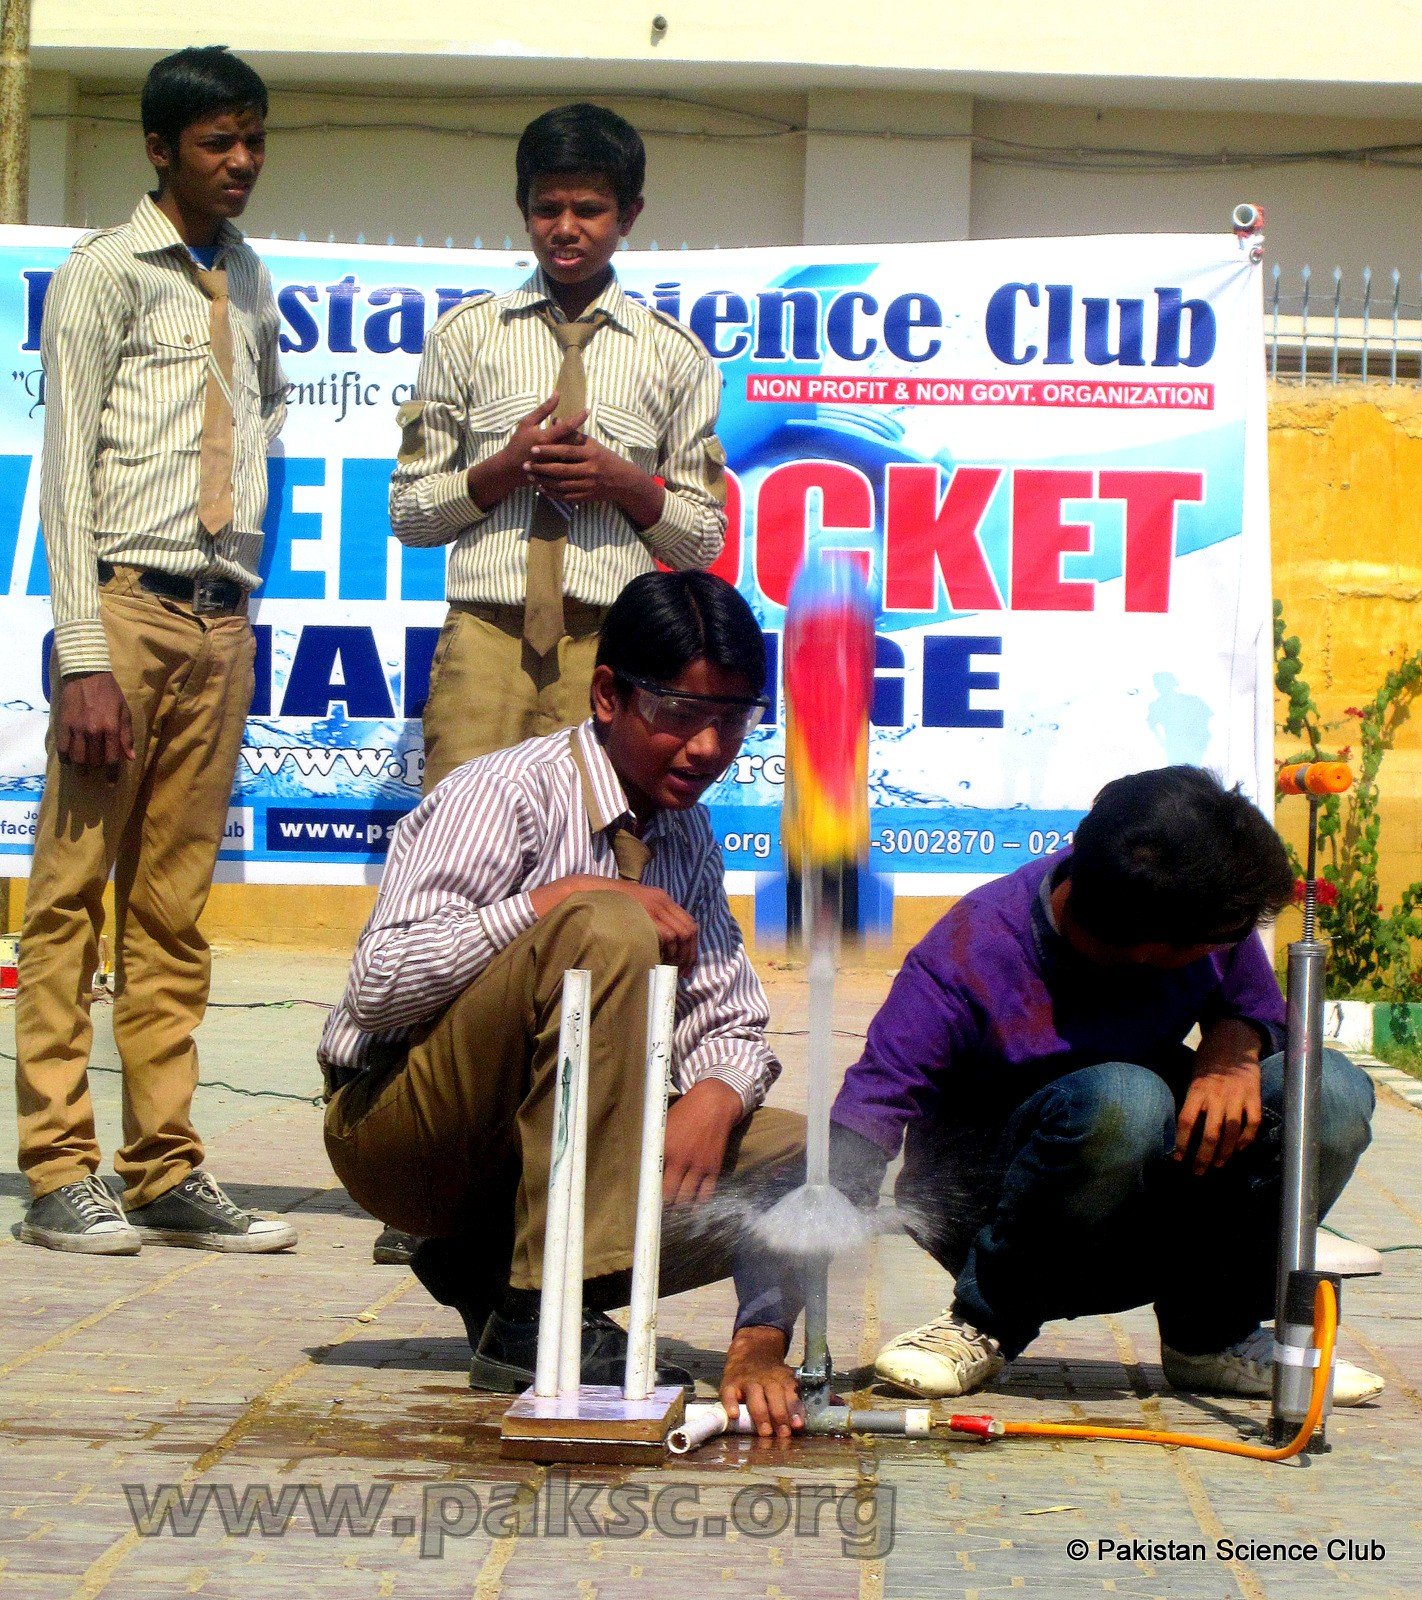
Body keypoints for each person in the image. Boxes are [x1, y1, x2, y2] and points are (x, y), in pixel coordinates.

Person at [318, 572, 806, 1438]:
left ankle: (497, 1274)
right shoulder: (502, 792)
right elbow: (377, 986)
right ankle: (541, 1312)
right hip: (406, 1134)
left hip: (535, 1170)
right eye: (682, 714)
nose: (707, 748)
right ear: (609, 694)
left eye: (732, 720)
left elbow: (732, 1020)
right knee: (604, 923)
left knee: (807, 1150)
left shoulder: (684, 831)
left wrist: (718, 1095)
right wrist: (553, 902)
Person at [828, 767, 1382, 1404]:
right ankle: (980, 1324)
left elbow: (1258, 1009)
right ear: (1146, 950)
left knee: (1329, 1092)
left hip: (1141, 1208)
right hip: (995, 1217)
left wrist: (1234, 1046)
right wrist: (787, 1300)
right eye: (1210, 946)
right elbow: (870, 1108)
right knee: (1126, 1099)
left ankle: (1212, 1337)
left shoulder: (1178, 898)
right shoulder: (970, 951)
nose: (1226, 951)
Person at [15, 47, 295, 1256]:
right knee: (72, 895)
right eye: (215, 142)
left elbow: (264, 431)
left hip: (215, 617)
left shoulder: (251, 275)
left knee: (175, 908)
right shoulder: (102, 273)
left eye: (252, 139)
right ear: (160, 149)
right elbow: (65, 472)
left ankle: (165, 1163)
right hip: (121, 612)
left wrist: (243, 600)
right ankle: (58, 1166)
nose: (239, 162)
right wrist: (83, 653)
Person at [389, 101, 727, 794]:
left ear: (628, 216)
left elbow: (704, 543)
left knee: (607, 844)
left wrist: (624, 482)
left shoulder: (674, 356)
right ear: (523, 208)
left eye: (590, 210)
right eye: (547, 208)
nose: (565, 229)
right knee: (461, 842)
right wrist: (501, 470)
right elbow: (409, 517)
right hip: (486, 639)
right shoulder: (465, 338)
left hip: (613, 646)